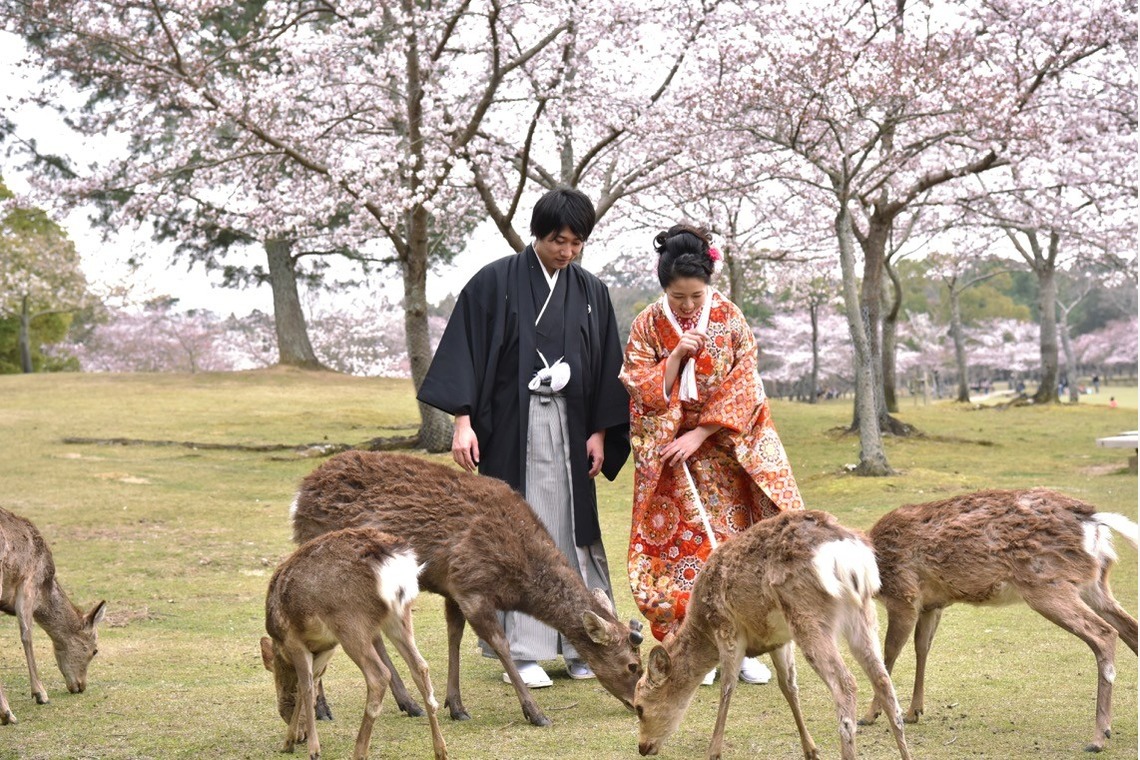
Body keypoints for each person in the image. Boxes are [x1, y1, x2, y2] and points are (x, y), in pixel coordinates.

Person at [417, 186, 631, 688]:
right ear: (539, 234)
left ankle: (588, 639)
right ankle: (522, 647)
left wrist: (600, 432)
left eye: (577, 243)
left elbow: (605, 368)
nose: (568, 252)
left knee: (576, 533)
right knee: (515, 536)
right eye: (559, 240)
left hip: (573, 425)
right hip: (514, 428)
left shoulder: (592, 292)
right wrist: (463, 422)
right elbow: (464, 353)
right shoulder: (494, 282)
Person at [620, 223, 804, 686]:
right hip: (672, 453)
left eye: (696, 296)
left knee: (738, 546)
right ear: (665, 287)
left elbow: (746, 382)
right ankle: (697, 645)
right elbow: (640, 388)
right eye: (678, 297)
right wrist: (676, 358)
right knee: (688, 550)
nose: (687, 306)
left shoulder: (730, 317)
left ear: (709, 285)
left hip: (726, 446)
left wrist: (701, 433)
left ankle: (745, 645)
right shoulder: (647, 324)